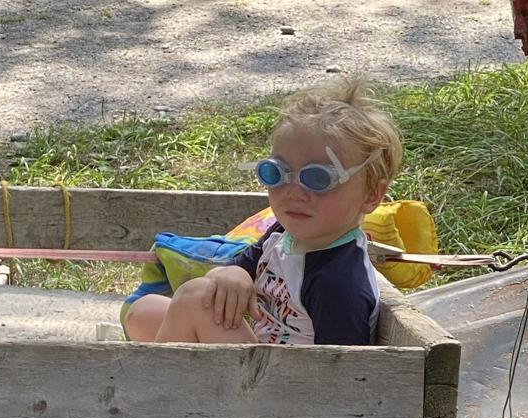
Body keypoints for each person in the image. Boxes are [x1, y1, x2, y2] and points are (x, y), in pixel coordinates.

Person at [122, 77, 402, 346]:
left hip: (278, 377)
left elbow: (343, 371)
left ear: (371, 195)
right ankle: (176, 363)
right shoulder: (283, 235)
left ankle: (164, 377)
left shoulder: (337, 283)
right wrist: (233, 274)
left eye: (318, 178)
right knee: (145, 311)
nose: (294, 192)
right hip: (258, 355)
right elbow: (240, 266)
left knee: (194, 299)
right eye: (276, 173)